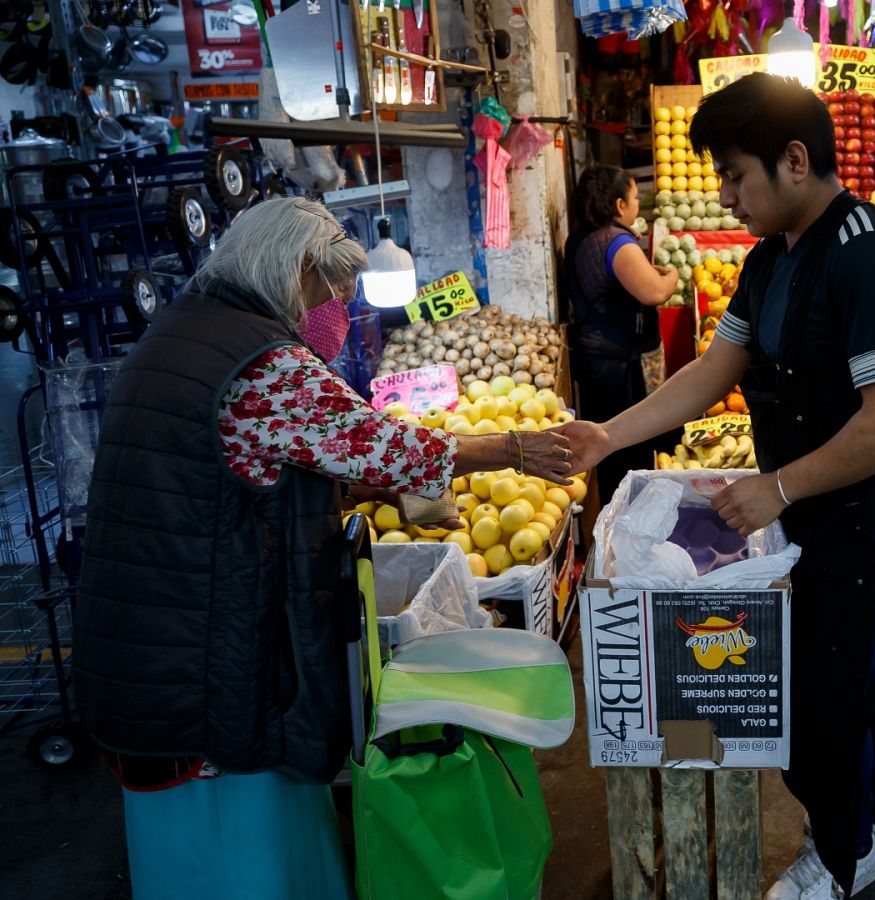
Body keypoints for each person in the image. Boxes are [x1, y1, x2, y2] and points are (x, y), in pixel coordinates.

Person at [73, 197, 574, 899]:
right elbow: (386, 447)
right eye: (334, 290)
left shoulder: (186, 331)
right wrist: (517, 448)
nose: (339, 309)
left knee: (192, 854)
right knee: (241, 858)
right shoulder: (261, 364)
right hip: (201, 664)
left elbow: (233, 479)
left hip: (150, 648)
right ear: (297, 270)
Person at [558, 73, 875, 899]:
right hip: (826, 513)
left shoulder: (867, 255)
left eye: (735, 175)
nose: (725, 195)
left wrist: (780, 488)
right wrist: (609, 437)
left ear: (794, 160)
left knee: (821, 700)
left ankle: (844, 857)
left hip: (873, 520)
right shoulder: (772, 259)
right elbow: (712, 370)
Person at [565, 165, 679, 502]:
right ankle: (634, 521)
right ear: (618, 205)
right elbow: (655, 292)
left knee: (608, 450)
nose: (635, 206)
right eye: (633, 199)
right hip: (620, 365)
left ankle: (615, 519)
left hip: (595, 361)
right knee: (631, 452)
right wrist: (670, 275)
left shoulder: (580, 237)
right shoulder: (616, 241)